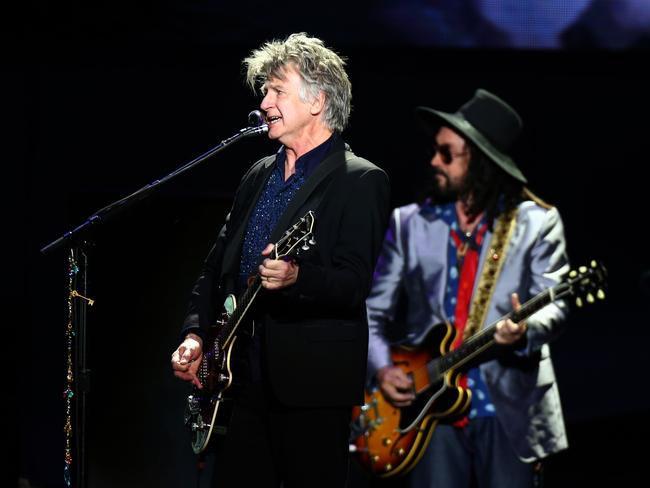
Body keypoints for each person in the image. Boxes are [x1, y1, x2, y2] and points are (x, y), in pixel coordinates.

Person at [171, 32, 390, 488]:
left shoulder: (360, 180)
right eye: (265, 91)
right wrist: (195, 334)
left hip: (310, 387)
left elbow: (353, 284)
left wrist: (297, 277)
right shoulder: (258, 174)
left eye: (276, 91)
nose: (264, 102)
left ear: (317, 101)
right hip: (241, 382)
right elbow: (216, 268)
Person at [364, 89, 569, 487]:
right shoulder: (409, 223)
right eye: (436, 150)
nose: (433, 161)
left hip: (509, 410)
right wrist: (383, 369)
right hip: (426, 413)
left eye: (446, 153)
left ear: (479, 160)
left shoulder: (537, 223)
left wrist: (525, 331)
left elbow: (556, 305)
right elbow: (372, 313)